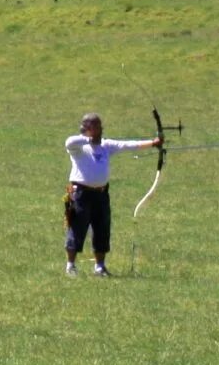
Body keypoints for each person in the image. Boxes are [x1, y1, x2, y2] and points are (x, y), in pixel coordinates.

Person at [62, 112, 159, 276]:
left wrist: (153, 143)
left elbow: (129, 145)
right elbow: (69, 142)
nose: (92, 128)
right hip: (80, 194)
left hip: (101, 194)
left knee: (102, 228)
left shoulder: (106, 146)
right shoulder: (78, 147)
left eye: (95, 125)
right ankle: (70, 265)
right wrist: (87, 137)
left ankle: (100, 266)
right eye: (88, 125)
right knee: (77, 228)